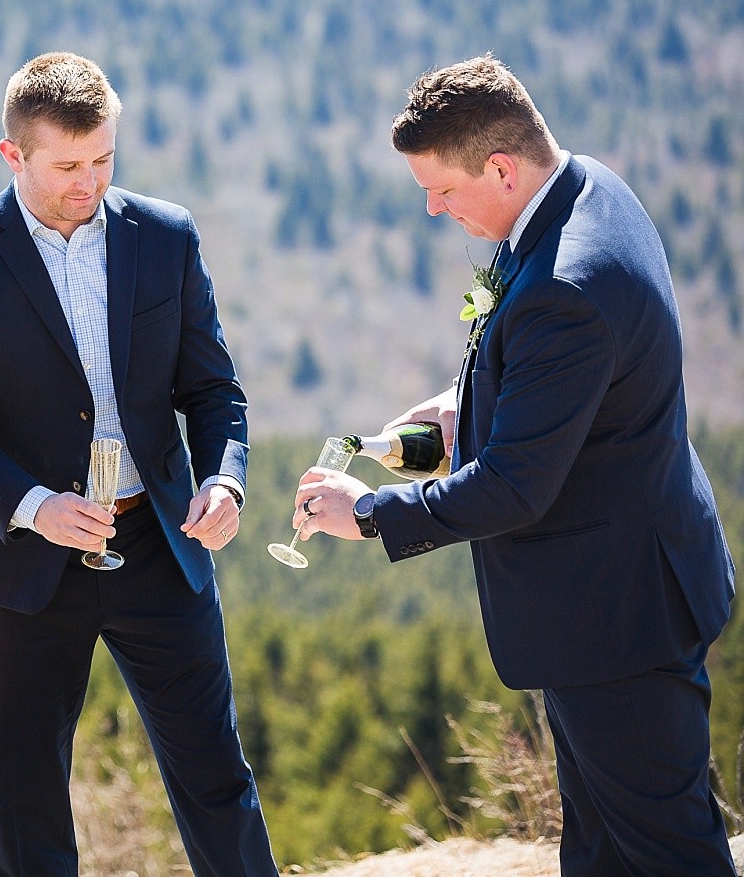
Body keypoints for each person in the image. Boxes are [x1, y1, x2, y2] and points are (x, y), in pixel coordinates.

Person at [295, 55, 736, 876]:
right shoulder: (588, 188)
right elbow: (578, 388)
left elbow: (514, 487)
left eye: (443, 190)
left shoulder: (565, 286)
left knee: (673, 856)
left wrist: (369, 513)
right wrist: (472, 402)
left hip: (618, 620)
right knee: (601, 849)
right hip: (612, 599)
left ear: (501, 166)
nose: (432, 208)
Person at [0, 52, 277, 877]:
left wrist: (224, 478)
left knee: (217, 774)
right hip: (22, 561)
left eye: (106, 159)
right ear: (14, 155)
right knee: (27, 798)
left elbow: (215, 389)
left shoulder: (168, 235)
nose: (92, 181)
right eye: (69, 165)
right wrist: (38, 504)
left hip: (159, 544)